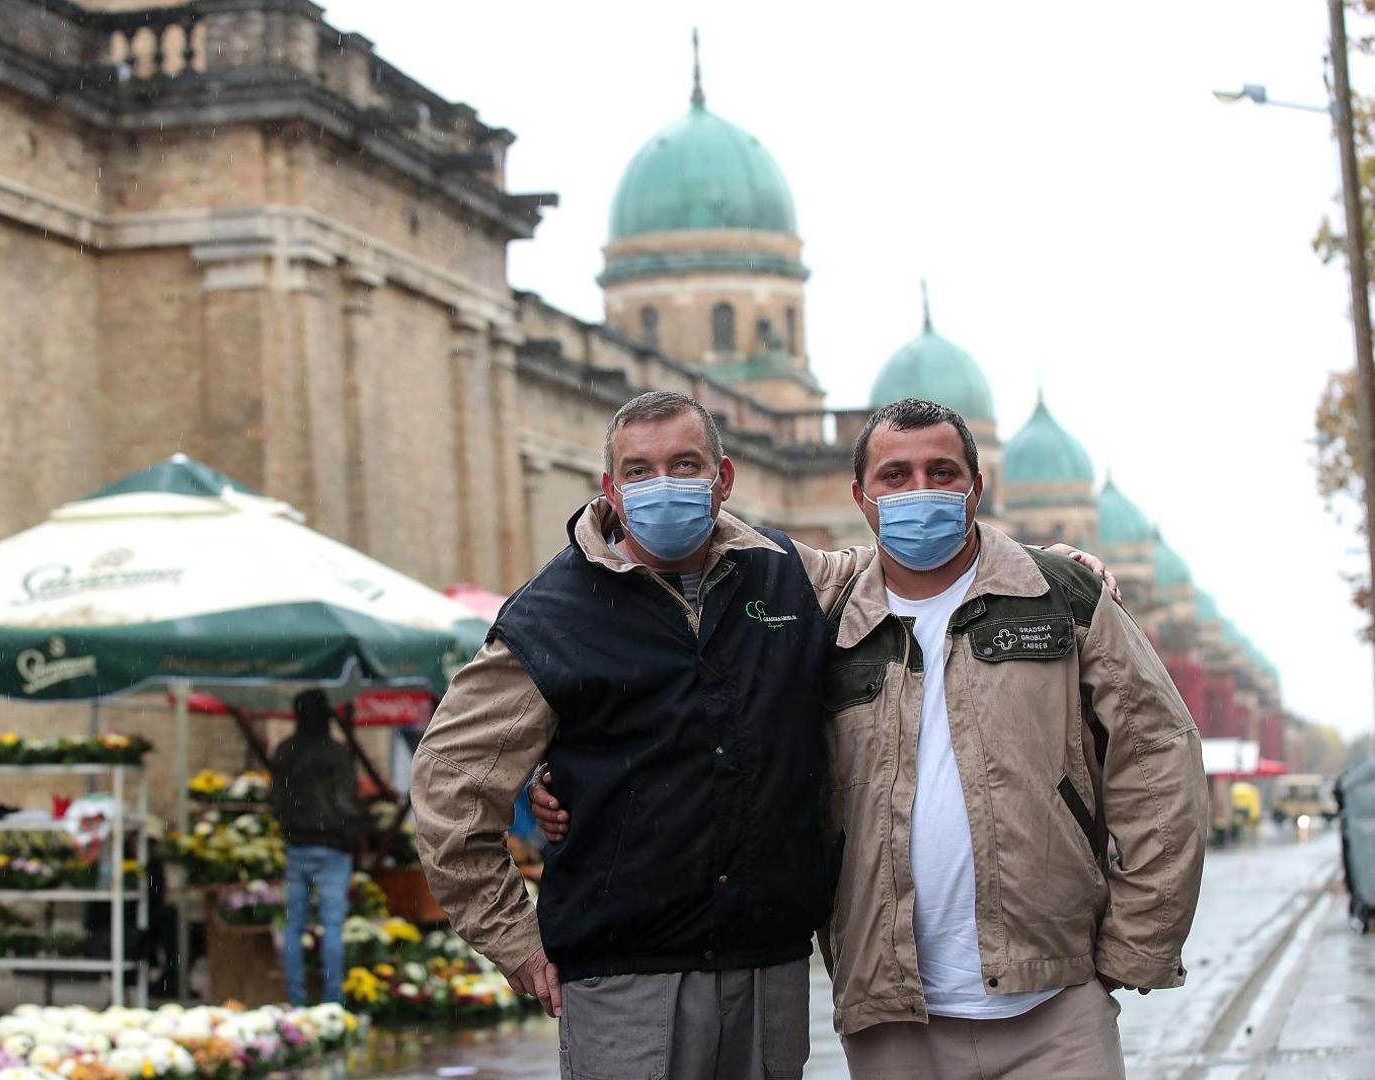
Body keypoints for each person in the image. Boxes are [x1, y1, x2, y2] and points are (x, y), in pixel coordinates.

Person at [413, 391, 1113, 1079]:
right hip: (627, 980)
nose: (665, 485)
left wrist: (1034, 564)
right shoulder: (551, 615)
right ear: (610, 488)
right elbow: (451, 784)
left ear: (723, 479)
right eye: (640, 470)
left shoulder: (788, 575)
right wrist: (513, 940)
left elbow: (906, 571)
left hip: (768, 973)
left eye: (686, 465)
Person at [270, 689, 362, 1005]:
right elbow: (347, 803)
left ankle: (296, 1001)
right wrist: (354, 835)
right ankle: (332, 1001)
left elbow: (276, 802)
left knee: (293, 926)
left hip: (297, 843)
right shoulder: (337, 753)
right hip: (332, 845)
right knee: (332, 926)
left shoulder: (285, 751)